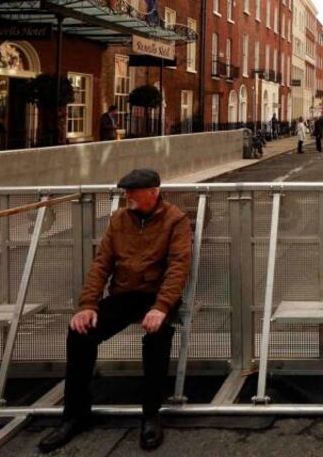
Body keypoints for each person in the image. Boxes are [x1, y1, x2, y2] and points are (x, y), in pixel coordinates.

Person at [38, 169, 191, 453]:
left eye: (133, 191)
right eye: (126, 192)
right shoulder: (119, 220)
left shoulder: (176, 220)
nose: (127, 196)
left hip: (157, 297)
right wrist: (87, 305)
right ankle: (75, 415)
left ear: (153, 192)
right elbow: (101, 264)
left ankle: (150, 414)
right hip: (124, 294)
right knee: (79, 332)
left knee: (158, 337)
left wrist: (161, 307)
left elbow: (178, 267)